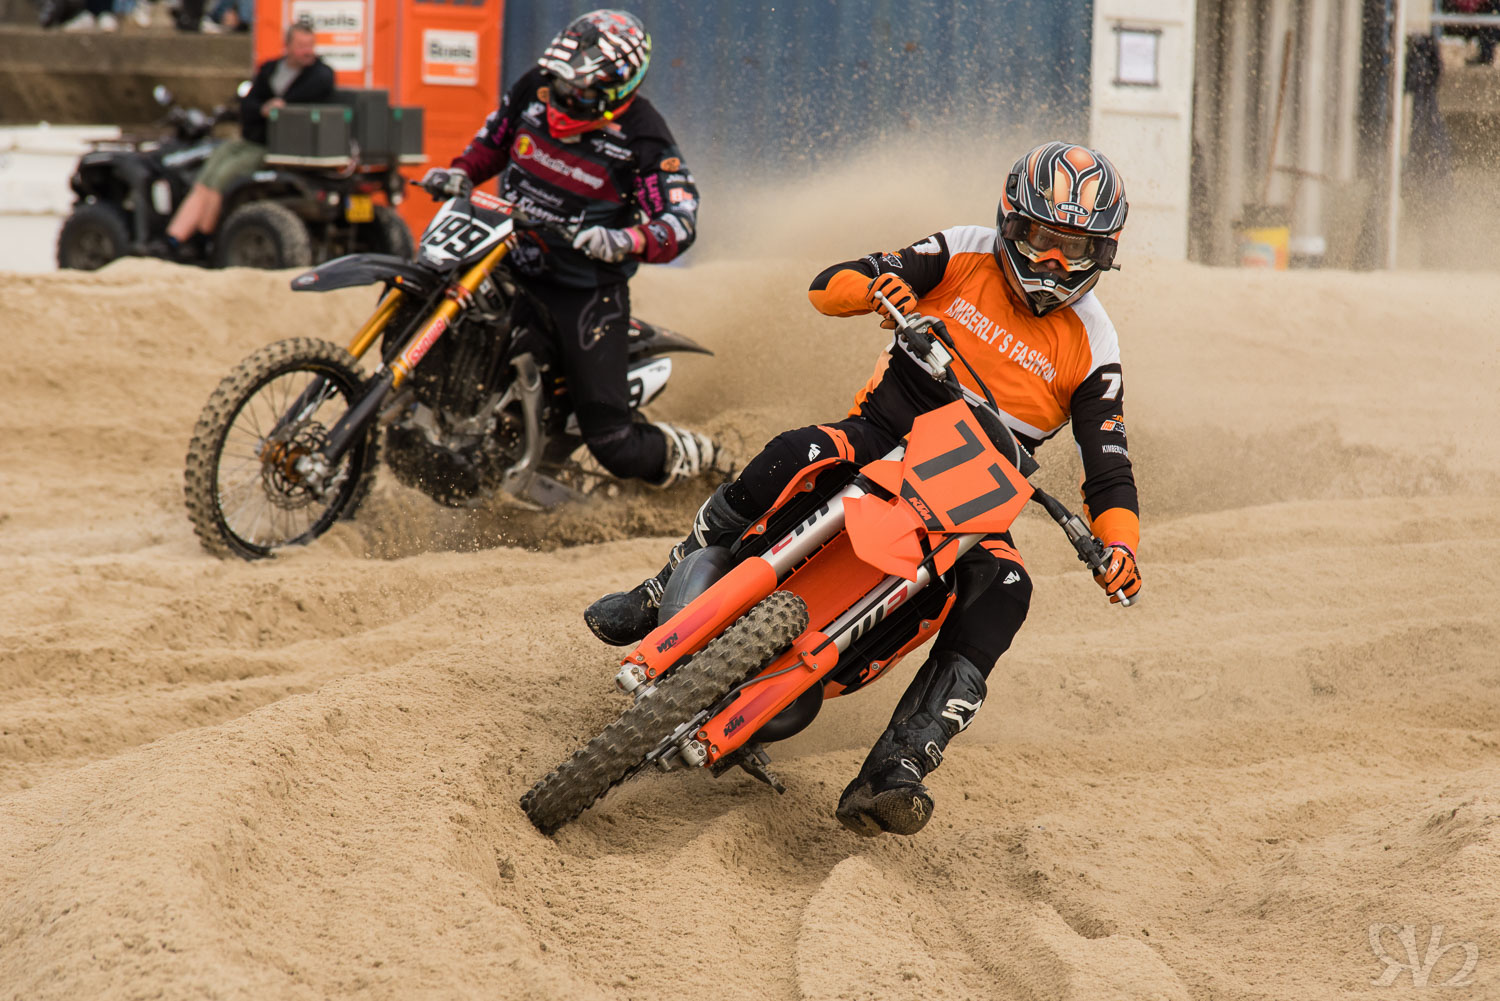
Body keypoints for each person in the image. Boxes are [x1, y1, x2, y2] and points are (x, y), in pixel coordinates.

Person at [585, 141, 1144, 836]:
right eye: (1040, 237)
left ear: (1103, 252)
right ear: (1009, 221)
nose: (1054, 261)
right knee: (795, 452)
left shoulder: (1095, 343)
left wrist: (1120, 545)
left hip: (973, 497)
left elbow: (1108, 466)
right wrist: (878, 288)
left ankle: (898, 765)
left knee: (1008, 587)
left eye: (1075, 247)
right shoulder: (962, 250)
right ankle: (659, 588)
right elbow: (830, 283)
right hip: (883, 432)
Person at [418, 9, 724, 488]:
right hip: (507, 257)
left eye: (579, 90)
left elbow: (680, 222)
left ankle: (707, 460)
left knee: (614, 444)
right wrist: (461, 172)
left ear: (617, 89)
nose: (563, 94)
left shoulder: (644, 136)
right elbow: (493, 141)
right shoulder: (536, 87)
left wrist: (624, 240)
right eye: (560, 82)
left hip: (583, 290)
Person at [155, 22, 332, 258]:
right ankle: (173, 238)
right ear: (288, 46)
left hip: (271, 147)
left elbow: (315, 88)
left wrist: (283, 104)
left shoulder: (318, 74)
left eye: (310, 45)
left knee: (221, 179)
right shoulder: (270, 70)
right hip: (248, 140)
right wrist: (264, 108)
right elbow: (249, 104)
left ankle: (202, 239)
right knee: (205, 176)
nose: (307, 51)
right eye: (301, 46)